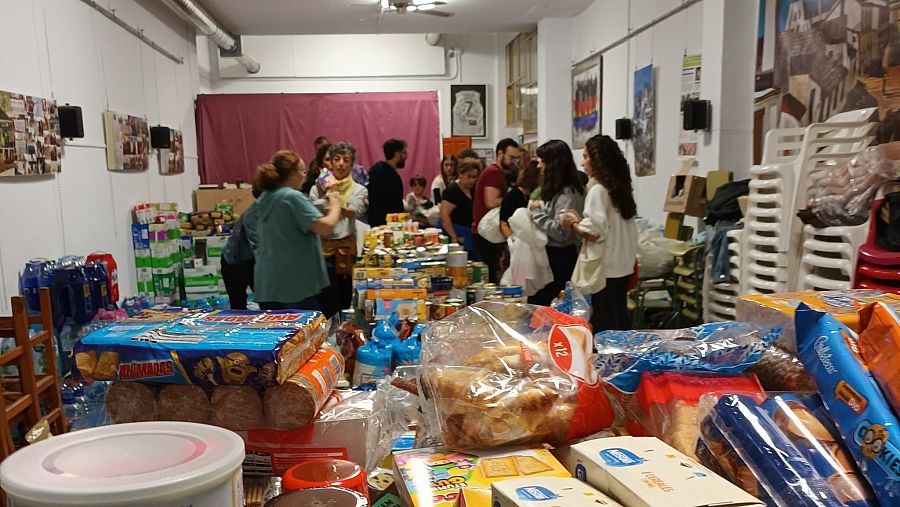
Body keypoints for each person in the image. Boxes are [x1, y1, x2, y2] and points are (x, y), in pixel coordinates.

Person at [561, 135, 638, 331]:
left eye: (586, 156)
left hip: (605, 270)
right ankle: (622, 359)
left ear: (598, 160)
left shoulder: (598, 190)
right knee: (619, 318)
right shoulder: (620, 189)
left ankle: (607, 360)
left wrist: (573, 223)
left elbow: (594, 232)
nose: (582, 162)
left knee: (604, 325)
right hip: (623, 266)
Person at [253, 150, 342, 311]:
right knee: (302, 334)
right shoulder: (292, 197)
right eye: (302, 171)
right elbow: (326, 227)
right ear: (293, 174)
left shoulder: (266, 198)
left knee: (277, 333)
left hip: (268, 283)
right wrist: (335, 203)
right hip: (294, 285)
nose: (304, 176)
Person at [310, 142, 368, 317]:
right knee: (324, 296)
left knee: (344, 296)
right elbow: (313, 212)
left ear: (352, 164)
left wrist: (332, 203)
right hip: (322, 248)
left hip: (345, 249)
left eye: (346, 160)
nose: (341, 164)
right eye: (337, 159)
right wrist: (329, 201)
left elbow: (354, 211)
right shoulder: (316, 188)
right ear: (330, 163)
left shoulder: (359, 189)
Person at [527, 139, 585, 307]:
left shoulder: (568, 194)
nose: (539, 166)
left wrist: (536, 213)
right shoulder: (557, 189)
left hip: (560, 257)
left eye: (543, 161)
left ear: (554, 164)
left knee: (545, 305)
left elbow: (561, 232)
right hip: (552, 254)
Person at [473, 139, 520, 282]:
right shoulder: (493, 172)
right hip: (487, 232)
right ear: (500, 153)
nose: (513, 162)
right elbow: (491, 202)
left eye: (516, 159)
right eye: (511, 158)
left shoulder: (496, 171)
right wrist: (513, 200)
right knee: (491, 276)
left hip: (486, 232)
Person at [220, 186, 261, 310]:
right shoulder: (254, 214)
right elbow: (259, 245)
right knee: (239, 306)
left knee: (268, 302)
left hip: (250, 260)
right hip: (235, 262)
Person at [439, 159, 482, 253]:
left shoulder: (473, 189)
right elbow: (444, 215)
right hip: (457, 233)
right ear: (460, 174)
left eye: (475, 177)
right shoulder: (452, 191)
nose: (472, 180)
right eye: (469, 176)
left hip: (470, 233)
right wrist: (454, 237)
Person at [367, 138, 408, 227]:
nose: (406, 156)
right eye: (404, 153)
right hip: (386, 225)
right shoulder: (389, 175)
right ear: (397, 154)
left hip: (378, 222)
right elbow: (395, 205)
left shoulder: (376, 168)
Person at [500, 160, 541, 239]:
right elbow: (504, 223)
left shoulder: (536, 196)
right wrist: (513, 243)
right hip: (517, 239)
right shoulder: (512, 196)